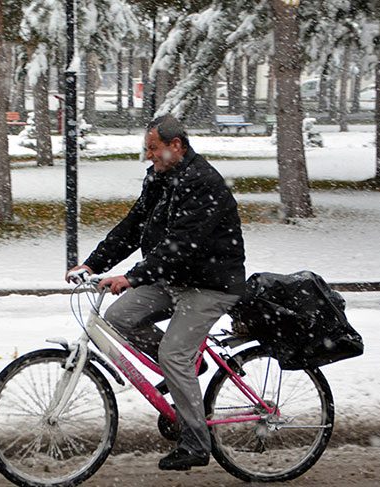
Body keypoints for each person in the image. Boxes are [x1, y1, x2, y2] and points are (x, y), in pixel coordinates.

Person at [66, 114, 246, 471]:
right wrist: (92, 263)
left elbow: (183, 244)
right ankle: (185, 366)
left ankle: (195, 442)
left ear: (175, 146)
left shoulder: (203, 182)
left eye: (153, 148)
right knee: (118, 318)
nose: (148, 155)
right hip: (174, 278)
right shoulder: (161, 178)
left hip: (211, 284)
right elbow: (133, 227)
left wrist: (134, 276)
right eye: (146, 148)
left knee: (173, 352)